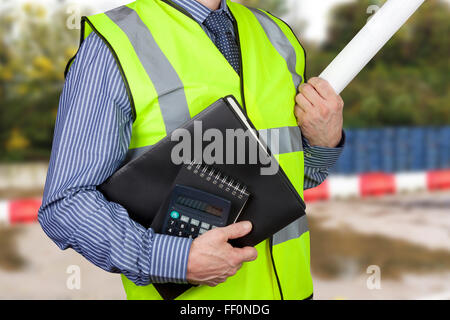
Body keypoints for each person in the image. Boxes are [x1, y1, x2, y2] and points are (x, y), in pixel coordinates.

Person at [39, 0, 345, 300]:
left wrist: (323, 143)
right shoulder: (112, 46)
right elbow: (65, 203)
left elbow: (287, 178)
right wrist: (173, 260)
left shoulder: (278, 35)